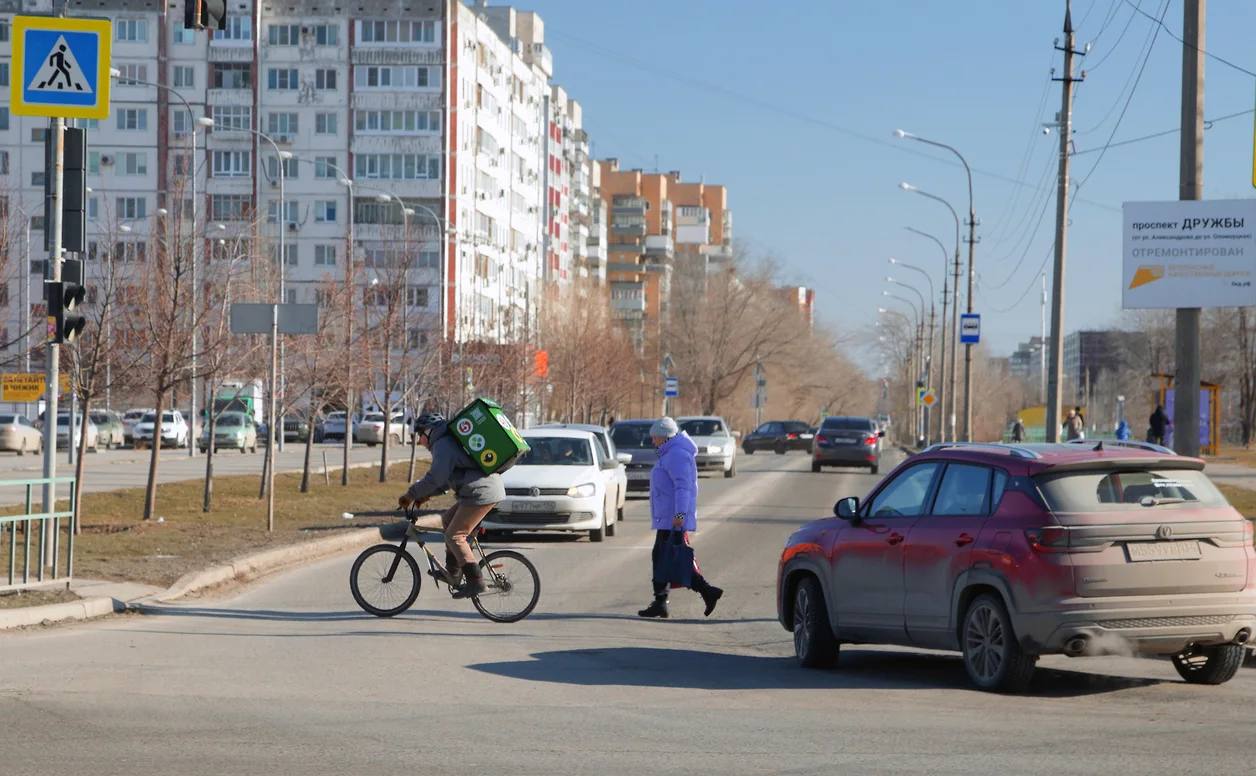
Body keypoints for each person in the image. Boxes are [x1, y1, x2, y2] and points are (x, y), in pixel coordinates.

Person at [397, 412, 505, 598]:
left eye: (420, 435)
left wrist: (411, 494)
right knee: (447, 520)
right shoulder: (446, 442)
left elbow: (435, 478)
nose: (420, 440)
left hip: (480, 493)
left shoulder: (443, 445)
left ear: (429, 432)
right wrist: (425, 496)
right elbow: (446, 481)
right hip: (478, 491)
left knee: (455, 535)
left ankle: (476, 583)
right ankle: (453, 572)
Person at [638, 417, 723, 619]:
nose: (653, 441)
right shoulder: (670, 453)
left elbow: (683, 489)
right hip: (668, 518)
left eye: (655, 437)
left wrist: (679, 515)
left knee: (674, 560)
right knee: (663, 558)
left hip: (673, 519)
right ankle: (661, 601)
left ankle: (706, 591)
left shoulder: (676, 455)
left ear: (665, 436)